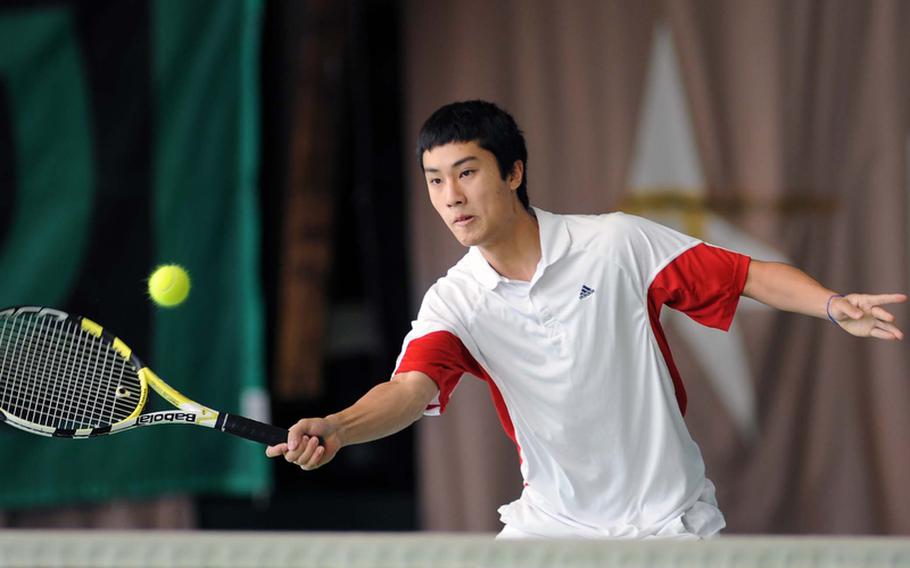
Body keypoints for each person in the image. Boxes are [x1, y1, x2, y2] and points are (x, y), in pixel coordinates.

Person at [266, 100, 906, 539]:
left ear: (513, 172)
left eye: (466, 173)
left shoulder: (617, 244)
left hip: (669, 527)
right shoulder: (454, 302)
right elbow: (408, 390)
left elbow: (745, 275)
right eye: (435, 181)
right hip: (549, 529)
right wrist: (340, 427)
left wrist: (830, 302)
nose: (451, 197)